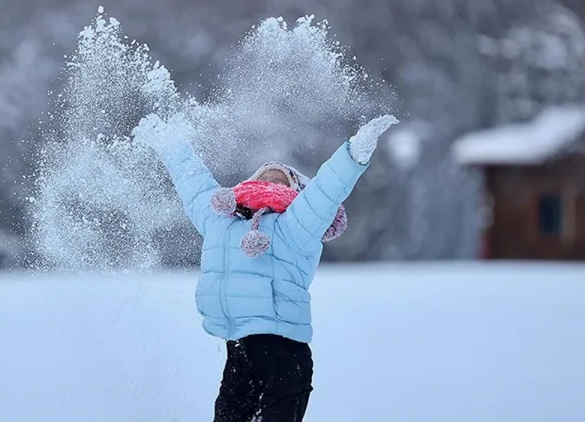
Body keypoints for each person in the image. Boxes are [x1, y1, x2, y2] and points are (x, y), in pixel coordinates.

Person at [133, 113, 398, 422]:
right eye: (264, 176)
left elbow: (326, 191)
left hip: (284, 350)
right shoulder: (221, 219)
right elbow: (194, 183)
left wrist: (353, 154)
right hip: (239, 346)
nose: (271, 180)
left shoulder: (297, 224)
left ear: (298, 192)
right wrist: (170, 144)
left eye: (281, 178)